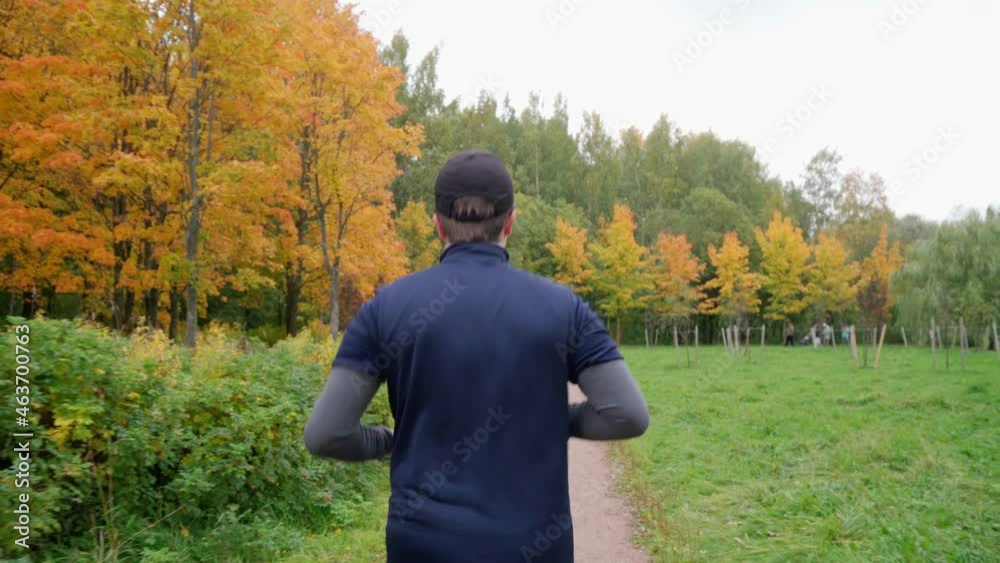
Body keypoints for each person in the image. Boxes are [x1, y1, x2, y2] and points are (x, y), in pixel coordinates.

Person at [303, 150, 649, 563]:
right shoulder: (563, 308)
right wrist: (558, 417)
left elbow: (326, 434)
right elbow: (626, 414)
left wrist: (388, 441)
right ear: (511, 221)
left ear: (436, 226)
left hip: (422, 547)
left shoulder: (386, 308)